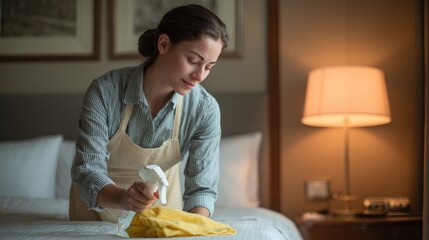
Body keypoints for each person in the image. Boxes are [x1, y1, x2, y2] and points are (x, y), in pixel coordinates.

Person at [70, 4, 229, 223]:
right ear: (163, 44)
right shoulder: (105, 92)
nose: (199, 75)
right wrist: (124, 198)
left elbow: (202, 189)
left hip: (160, 219)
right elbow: (87, 171)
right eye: (193, 60)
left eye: (209, 66)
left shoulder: (204, 110)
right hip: (92, 217)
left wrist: (194, 227)